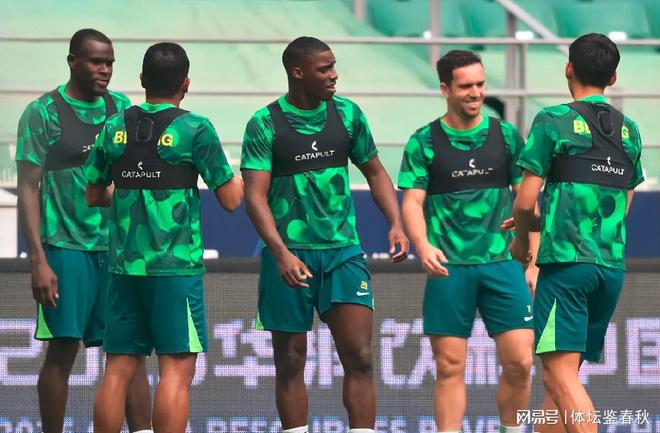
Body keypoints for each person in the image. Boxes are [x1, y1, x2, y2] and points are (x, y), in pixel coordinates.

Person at [241, 36, 409, 433]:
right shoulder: (264, 123)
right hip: (289, 257)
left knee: (360, 357)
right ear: (298, 73)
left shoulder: (348, 115)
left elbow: (375, 171)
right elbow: (254, 196)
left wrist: (396, 222)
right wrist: (281, 253)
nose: (334, 75)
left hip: (343, 254)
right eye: (325, 69)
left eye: (334, 66)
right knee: (290, 361)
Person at [85, 42, 243, 433]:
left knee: (117, 369)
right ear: (186, 83)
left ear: (142, 79)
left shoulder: (114, 125)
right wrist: (242, 180)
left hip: (123, 268)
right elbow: (230, 200)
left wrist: (129, 190)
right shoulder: (196, 128)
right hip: (175, 270)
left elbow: (93, 195)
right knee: (176, 369)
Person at [15, 28, 152, 433]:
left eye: (109, 63)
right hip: (65, 249)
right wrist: (38, 260)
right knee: (62, 352)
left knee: (129, 354)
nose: (105, 70)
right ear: (73, 61)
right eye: (96, 62)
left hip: (118, 251)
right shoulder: (43, 112)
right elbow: (28, 189)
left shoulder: (122, 108)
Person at [398, 50, 538, 433]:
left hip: (502, 264)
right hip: (450, 269)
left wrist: (534, 261)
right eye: (465, 86)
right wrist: (423, 245)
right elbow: (412, 202)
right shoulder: (423, 141)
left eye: (480, 84)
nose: (475, 93)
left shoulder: (506, 136)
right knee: (449, 366)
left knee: (521, 362)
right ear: (445, 89)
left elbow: (527, 202)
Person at [512, 33, 644, 433]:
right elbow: (624, 201)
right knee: (562, 380)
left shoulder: (552, 120)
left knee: (559, 377)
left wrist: (522, 241)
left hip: (567, 267)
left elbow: (524, 202)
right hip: (610, 269)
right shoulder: (630, 130)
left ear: (568, 68)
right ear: (613, 77)